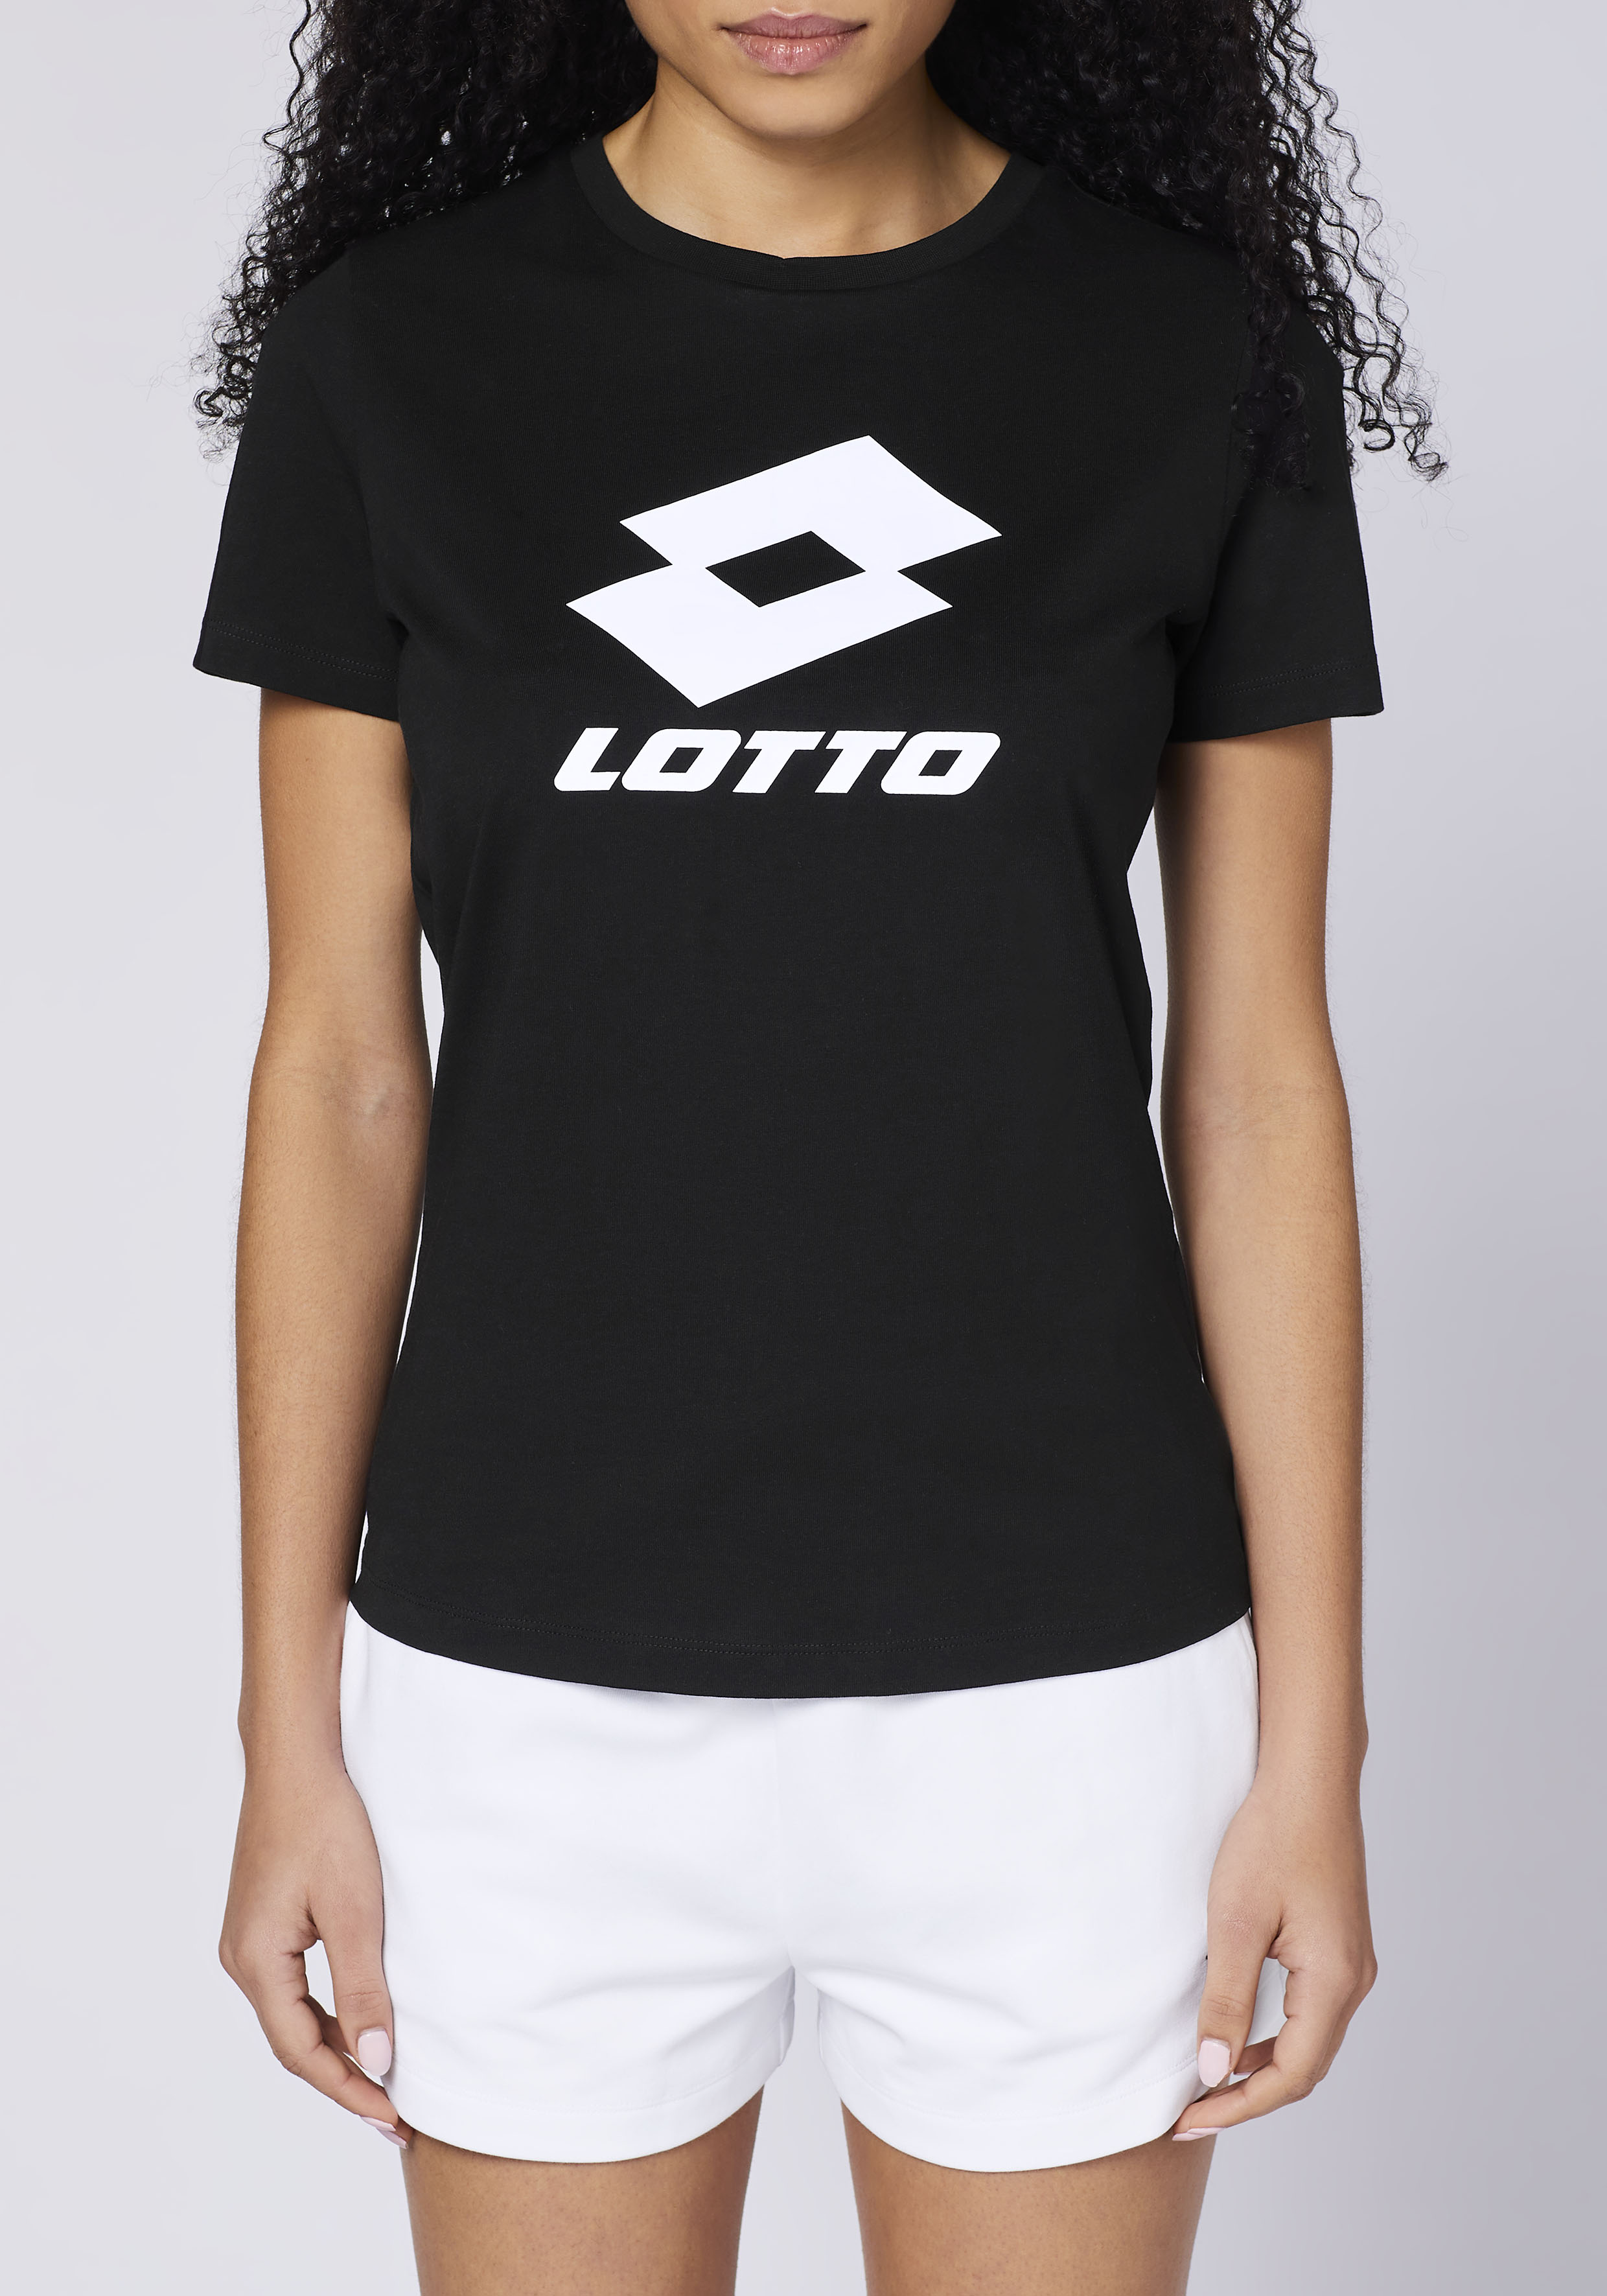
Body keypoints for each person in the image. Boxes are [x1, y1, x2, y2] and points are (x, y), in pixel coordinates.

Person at [196, 0, 1436, 2287]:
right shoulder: (396, 352)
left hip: (1066, 1693)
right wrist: (289, 1730)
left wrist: (1316, 1744)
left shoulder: (1187, 354)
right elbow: (343, 1072)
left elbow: (1261, 1079)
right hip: (524, 1690)